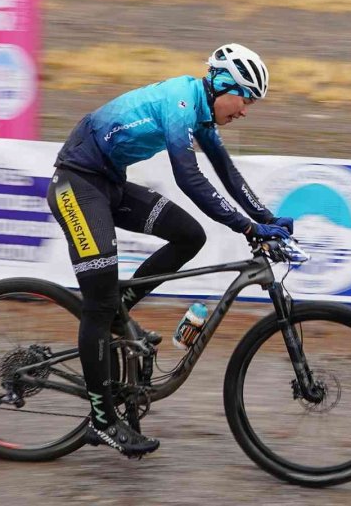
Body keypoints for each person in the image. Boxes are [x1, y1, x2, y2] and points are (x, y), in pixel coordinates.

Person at [46, 43, 294, 458]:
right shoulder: (180, 102)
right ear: (222, 85)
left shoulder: (201, 114)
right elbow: (189, 178)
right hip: (77, 185)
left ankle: (120, 308)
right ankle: (102, 421)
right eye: (245, 98)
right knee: (97, 305)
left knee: (188, 235)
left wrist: (268, 218)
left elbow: (228, 174)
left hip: (108, 184)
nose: (246, 110)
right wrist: (246, 226)